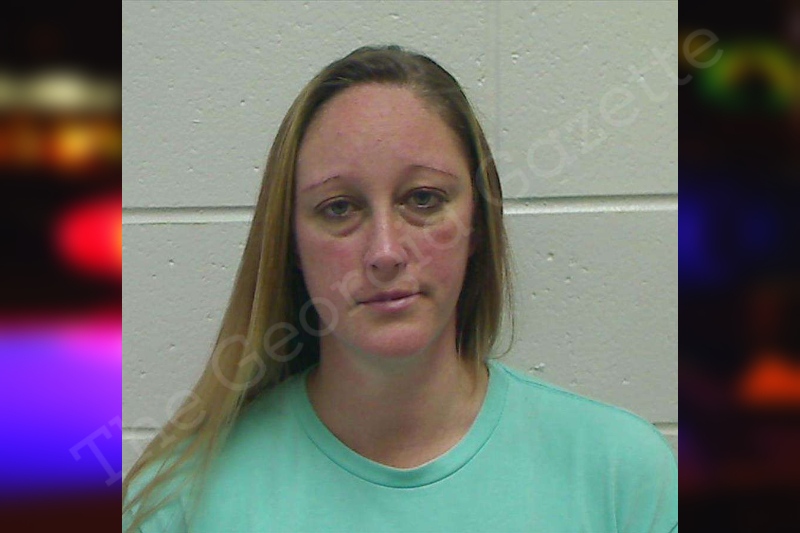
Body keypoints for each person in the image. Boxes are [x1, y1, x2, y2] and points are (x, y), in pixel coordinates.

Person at [123, 45, 678, 533]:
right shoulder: (181, 498)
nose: (385, 251)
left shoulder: (621, 476)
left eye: (423, 199)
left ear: (478, 224)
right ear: (289, 241)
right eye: (339, 208)